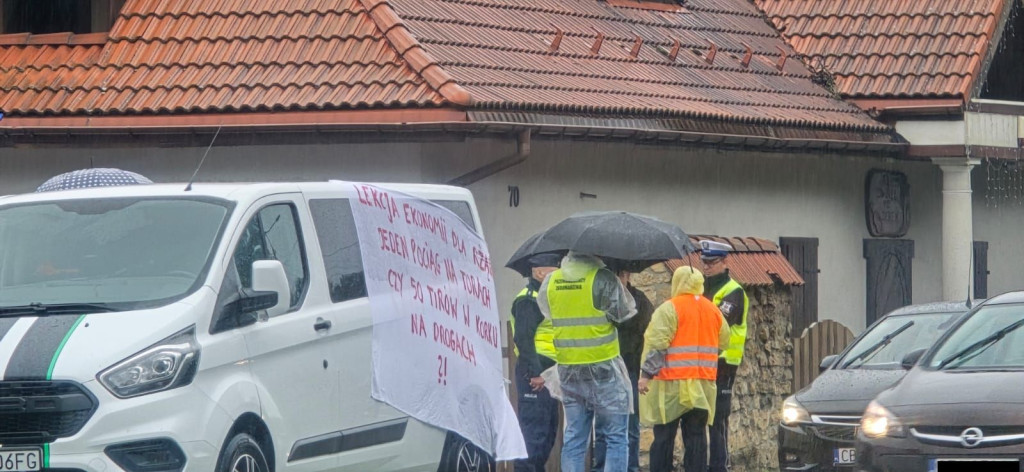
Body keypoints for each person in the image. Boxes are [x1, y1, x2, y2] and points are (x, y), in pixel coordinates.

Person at [537, 252, 636, 472]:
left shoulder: (551, 280)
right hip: (603, 365)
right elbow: (623, 313)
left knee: (574, 436)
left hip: (569, 368)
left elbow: (547, 311)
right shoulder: (602, 278)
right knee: (616, 436)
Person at [638, 266, 730, 472]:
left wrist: (646, 375)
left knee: (664, 438)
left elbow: (657, 344)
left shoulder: (669, 308)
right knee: (696, 438)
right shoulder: (712, 309)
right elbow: (724, 340)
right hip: (702, 386)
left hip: (671, 385)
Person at [592, 265, 654, 472]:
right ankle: (600, 467)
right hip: (605, 368)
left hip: (630, 368)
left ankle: (631, 467)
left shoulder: (640, 300)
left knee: (630, 425)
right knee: (602, 426)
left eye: (621, 275)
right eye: (615, 276)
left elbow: (645, 329)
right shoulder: (601, 300)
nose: (619, 279)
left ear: (627, 276)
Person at [700, 240, 750, 472]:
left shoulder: (733, 291)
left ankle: (720, 466)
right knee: (700, 416)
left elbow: (718, 323)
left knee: (718, 418)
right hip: (702, 362)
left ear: (724, 262)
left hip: (725, 363)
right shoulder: (701, 288)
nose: (707, 266)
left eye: (712, 262)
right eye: (704, 262)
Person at [510, 253, 562, 472]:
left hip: (548, 371)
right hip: (536, 371)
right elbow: (523, 339)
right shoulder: (527, 299)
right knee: (534, 435)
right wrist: (535, 374)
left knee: (548, 432)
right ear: (539, 273)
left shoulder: (545, 297)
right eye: (554, 271)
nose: (559, 275)